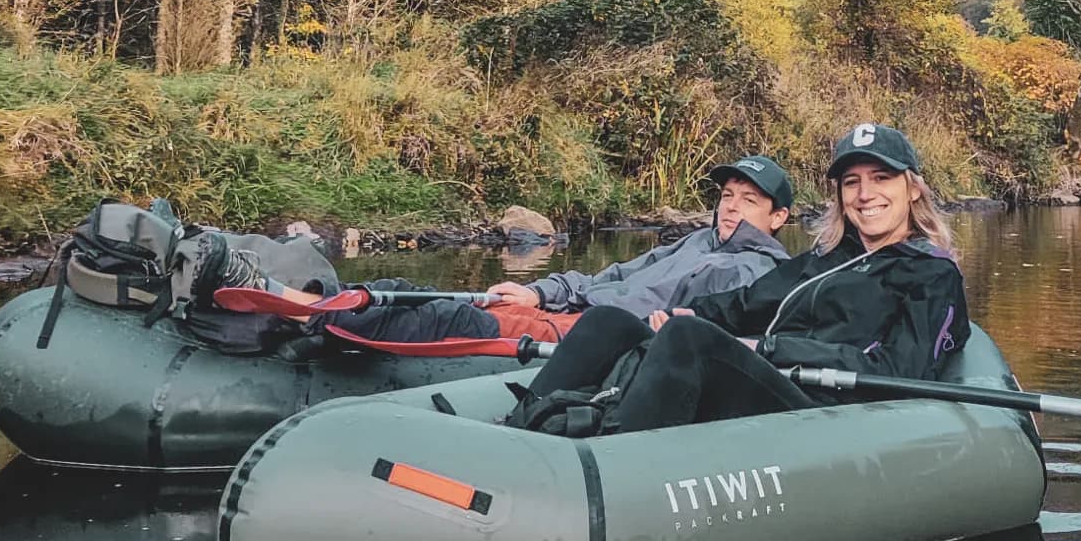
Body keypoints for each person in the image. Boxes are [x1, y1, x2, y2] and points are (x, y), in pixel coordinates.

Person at [511, 123, 966, 434]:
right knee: (609, 320)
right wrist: (686, 311)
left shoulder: (931, 273)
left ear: (912, 187)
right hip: (772, 379)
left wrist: (767, 348)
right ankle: (518, 429)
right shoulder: (828, 259)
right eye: (852, 182)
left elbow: (899, 371)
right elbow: (747, 302)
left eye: (881, 178)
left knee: (689, 338)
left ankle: (618, 460)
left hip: (826, 408)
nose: (865, 194)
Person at [324, 156, 795, 347]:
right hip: (578, 313)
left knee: (456, 320)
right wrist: (543, 292)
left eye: (748, 200)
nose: (730, 208)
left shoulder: (757, 272)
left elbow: (670, 319)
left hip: (602, 333)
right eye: (727, 196)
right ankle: (319, 302)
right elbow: (614, 274)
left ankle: (320, 318)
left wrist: (570, 307)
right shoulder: (699, 239)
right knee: (423, 295)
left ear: (779, 218)